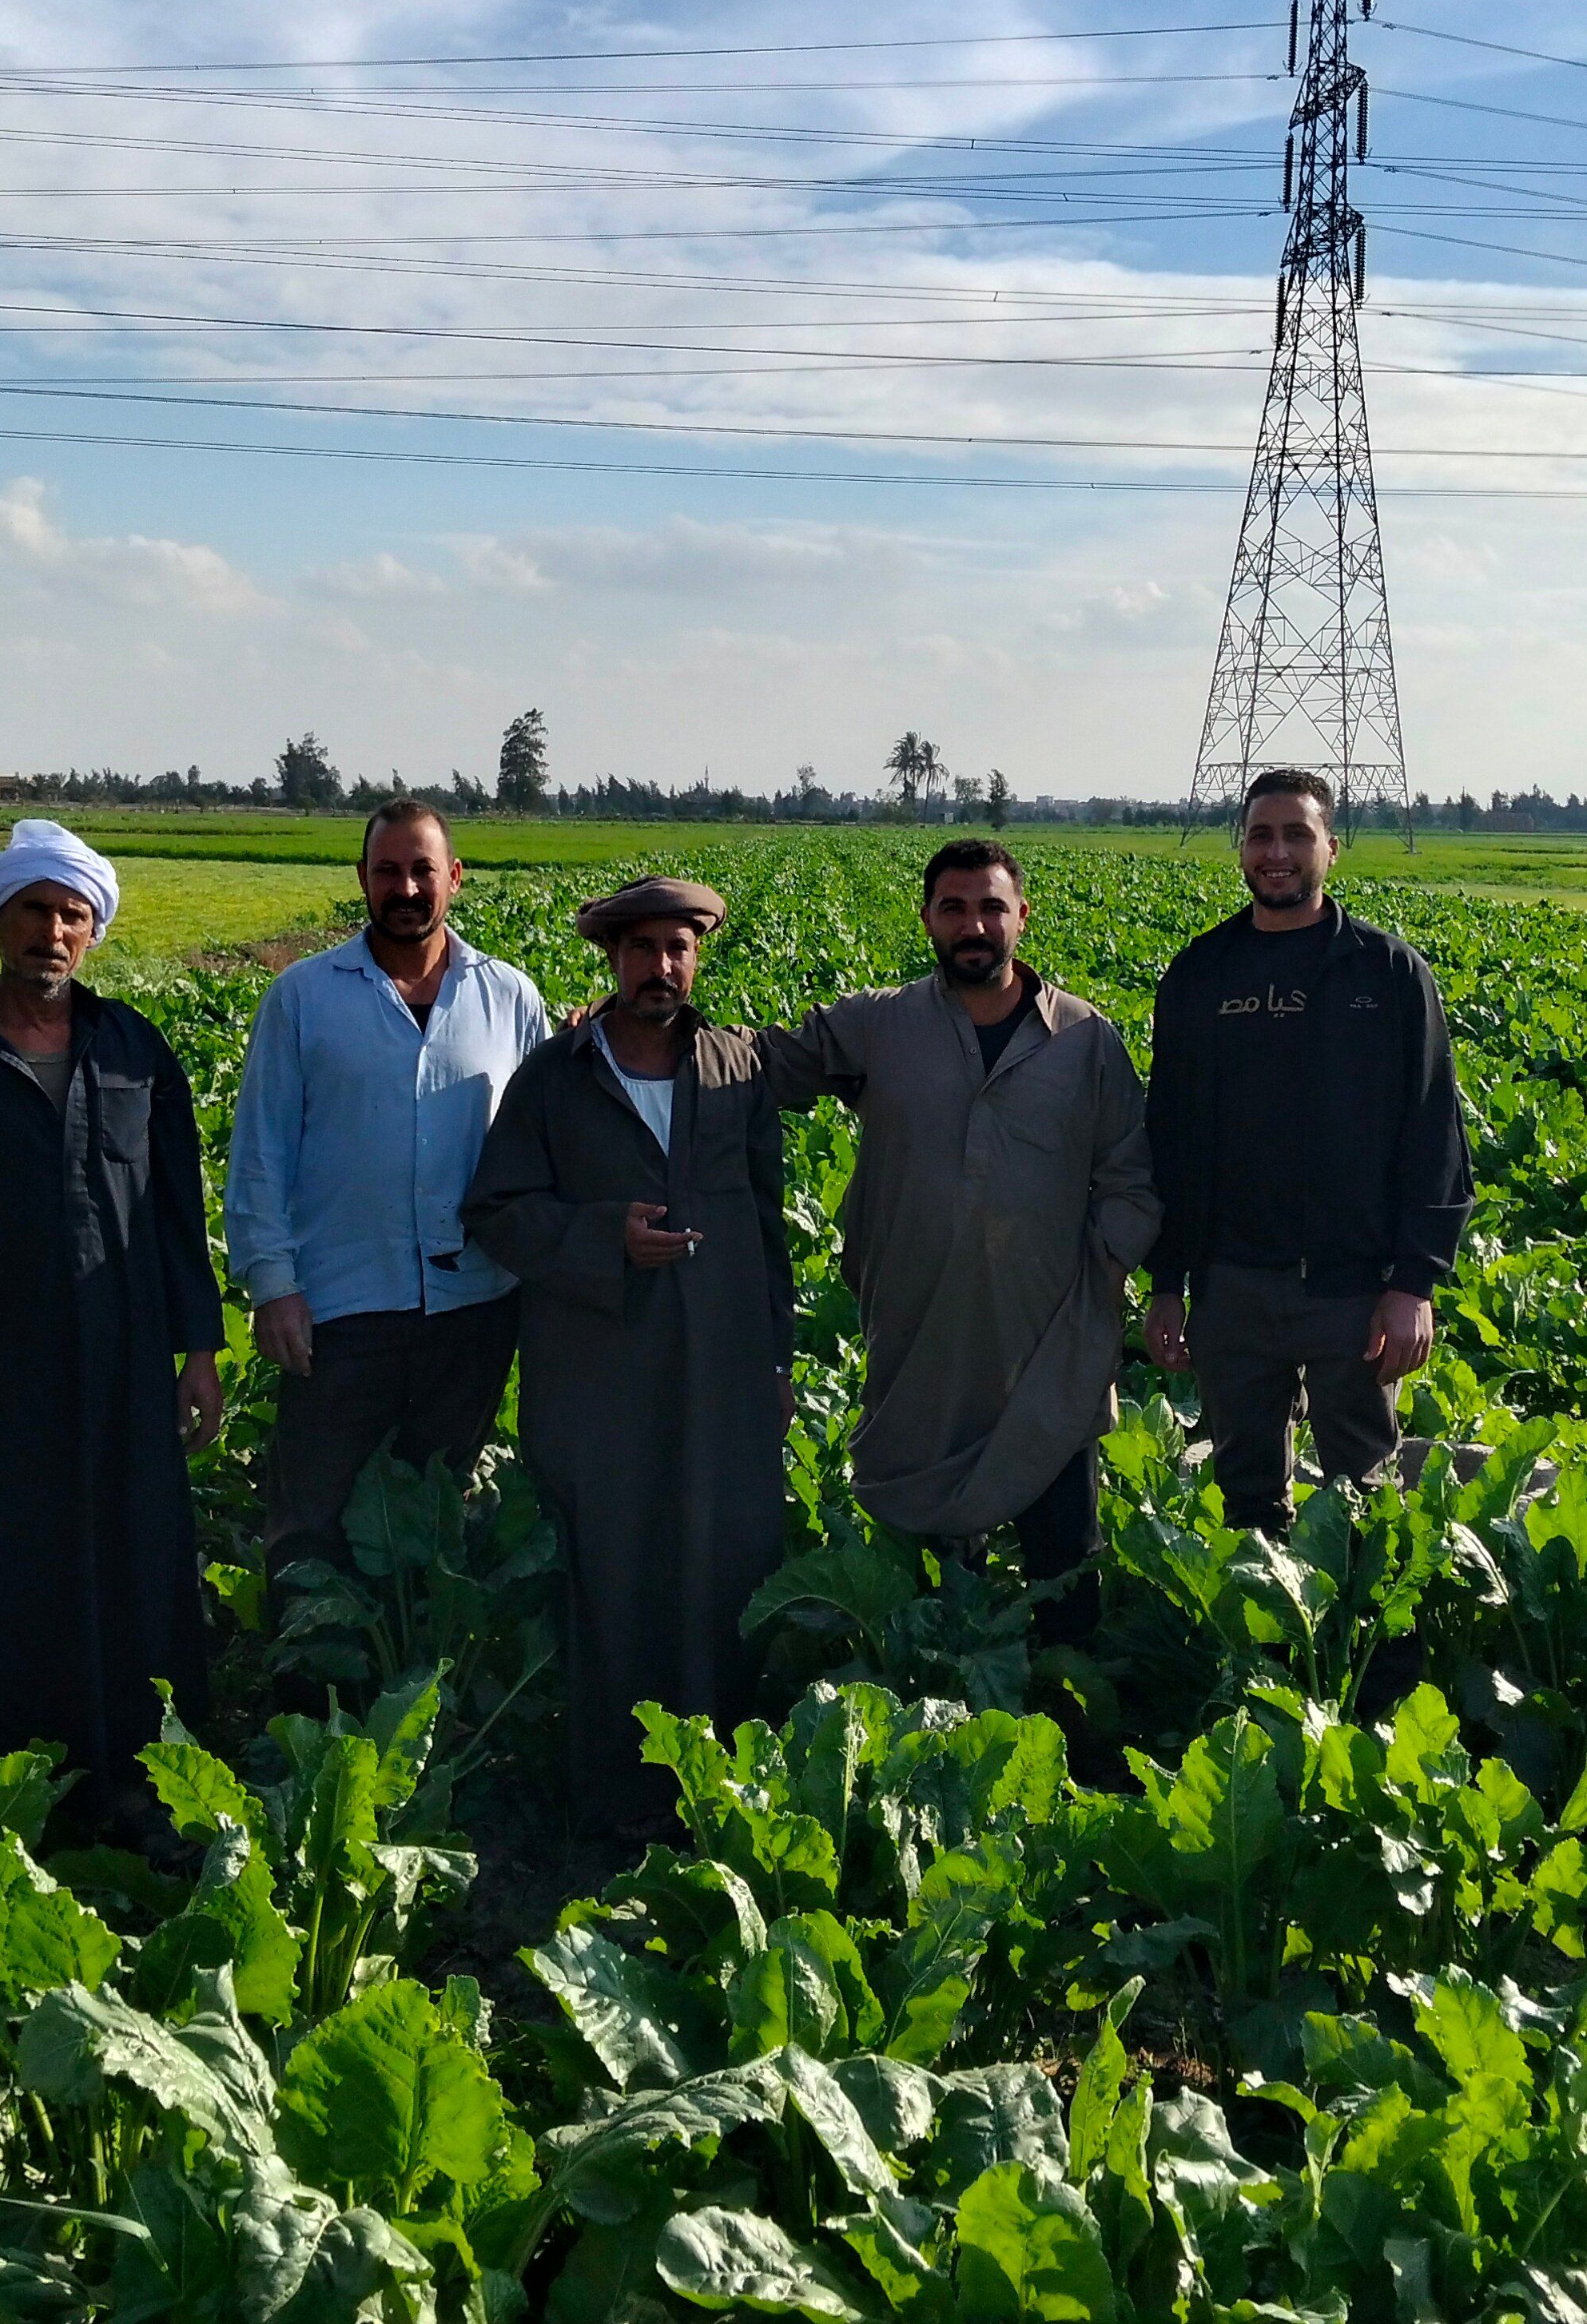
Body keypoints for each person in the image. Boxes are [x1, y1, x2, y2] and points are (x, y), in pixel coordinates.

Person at [0, 819, 226, 1831]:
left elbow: (175, 1214)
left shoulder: (134, 1051)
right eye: (35, 910)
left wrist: (199, 1351)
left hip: (115, 1374)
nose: (52, 933)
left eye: (73, 915)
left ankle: (132, 1792)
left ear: (95, 932)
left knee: (127, 1571)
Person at [752, 839, 1158, 1644]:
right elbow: (760, 1063)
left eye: (991, 907)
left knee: (1063, 1545)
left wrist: (1102, 1275)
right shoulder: (879, 1024)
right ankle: (936, 1707)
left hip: (1047, 1333)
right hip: (920, 1326)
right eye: (954, 908)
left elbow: (1131, 1172)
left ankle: (1069, 1715)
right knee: (934, 1552)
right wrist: (639, 1032)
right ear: (928, 919)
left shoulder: (1085, 1039)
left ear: (1022, 917)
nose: (974, 924)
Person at [460, 876, 791, 1835]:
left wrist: (775, 1360)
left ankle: (717, 1786)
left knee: (723, 1560)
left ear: (698, 958)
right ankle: (618, 1797)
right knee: (615, 1566)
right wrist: (603, 1235)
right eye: (642, 949)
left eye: (678, 949)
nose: (662, 967)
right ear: (612, 959)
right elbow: (495, 1212)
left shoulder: (736, 1069)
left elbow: (766, 1225)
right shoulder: (557, 1077)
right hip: (599, 1375)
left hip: (722, 1368)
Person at [1141, 769, 1474, 1531]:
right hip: (1231, 1288)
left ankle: (1374, 1653)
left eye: (1297, 834)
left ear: (1332, 847)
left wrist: (1414, 1283)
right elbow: (1172, 1136)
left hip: (1354, 1290)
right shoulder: (1201, 973)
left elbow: (1433, 1134)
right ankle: (1271, 1648)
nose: (1278, 852)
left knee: (1364, 1500)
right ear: (1242, 850)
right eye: (1261, 835)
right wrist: (1167, 1280)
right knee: (1246, 1498)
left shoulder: (1387, 973)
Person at [224, 800, 547, 1577]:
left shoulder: (508, 998)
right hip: (339, 1306)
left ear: (455, 879)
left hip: (471, 1308)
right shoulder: (303, 998)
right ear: (362, 881)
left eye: (421, 870)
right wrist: (273, 1286)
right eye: (387, 872)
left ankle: (410, 1674)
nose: (405, 888)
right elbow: (260, 1151)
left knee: (430, 1519)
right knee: (313, 1516)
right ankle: (311, 1686)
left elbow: (544, 1148)